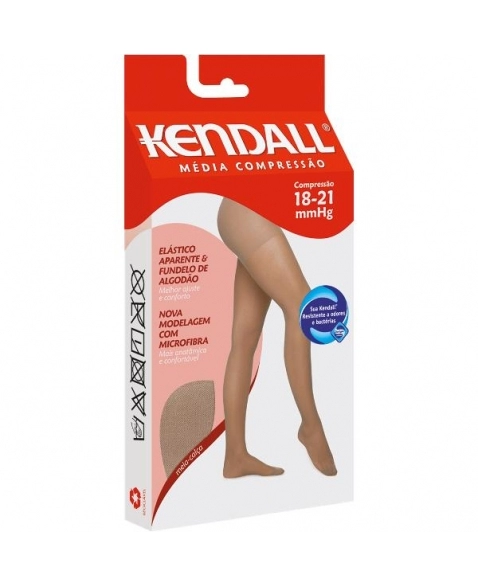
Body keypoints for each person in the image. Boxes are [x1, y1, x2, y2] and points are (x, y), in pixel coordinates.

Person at [217, 198, 337, 478]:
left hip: (241, 210)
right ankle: (311, 426)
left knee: (244, 339)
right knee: (302, 308)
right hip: (249, 210)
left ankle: (235, 456)